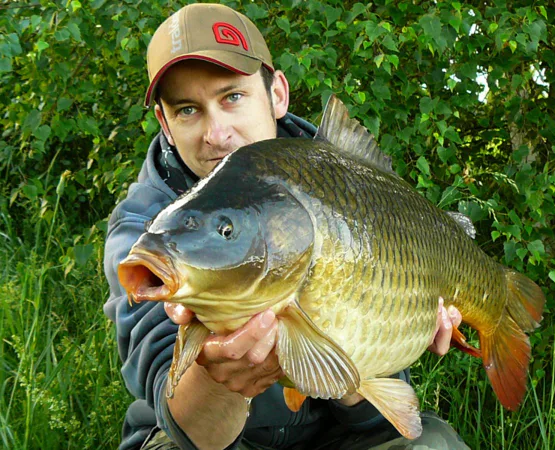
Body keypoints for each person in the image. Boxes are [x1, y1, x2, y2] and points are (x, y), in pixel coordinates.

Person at [103, 3, 469, 450]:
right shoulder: (147, 232)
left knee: (433, 444)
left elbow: (377, 422)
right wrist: (220, 378)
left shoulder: (346, 188)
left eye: (232, 97)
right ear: (164, 122)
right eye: (187, 110)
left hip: (332, 435)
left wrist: (349, 368)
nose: (216, 133)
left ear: (277, 94)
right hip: (213, 441)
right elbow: (190, 430)